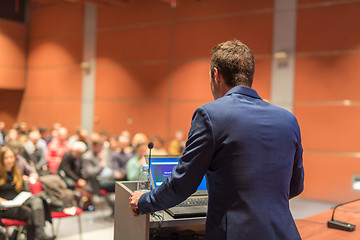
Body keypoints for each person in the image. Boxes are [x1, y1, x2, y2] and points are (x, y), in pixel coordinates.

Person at [129, 40, 304, 240]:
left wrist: (145, 200)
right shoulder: (289, 120)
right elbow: (295, 186)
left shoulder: (210, 115)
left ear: (215, 74)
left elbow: (183, 183)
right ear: (249, 77)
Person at [0, 146, 54, 240]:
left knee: (37, 200)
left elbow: (22, 191)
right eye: (6, 158)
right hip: (5, 207)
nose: (9, 160)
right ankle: (38, 235)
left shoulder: (17, 173)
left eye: (11, 157)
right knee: (30, 212)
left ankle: (38, 234)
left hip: (18, 203)